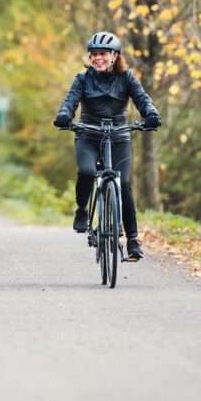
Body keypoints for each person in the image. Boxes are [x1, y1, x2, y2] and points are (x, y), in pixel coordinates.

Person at [53, 31, 161, 260]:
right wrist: (64, 115)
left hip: (119, 136)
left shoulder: (127, 78)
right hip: (88, 135)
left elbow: (142, 99)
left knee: (124, 184)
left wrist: (151, 114)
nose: (97, 58)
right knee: (87, 172)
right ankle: (82, 210)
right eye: (93, 54)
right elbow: (70, 101)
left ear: (115, 56)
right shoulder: (83, 79)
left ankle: (132, 239)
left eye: (102, 54)